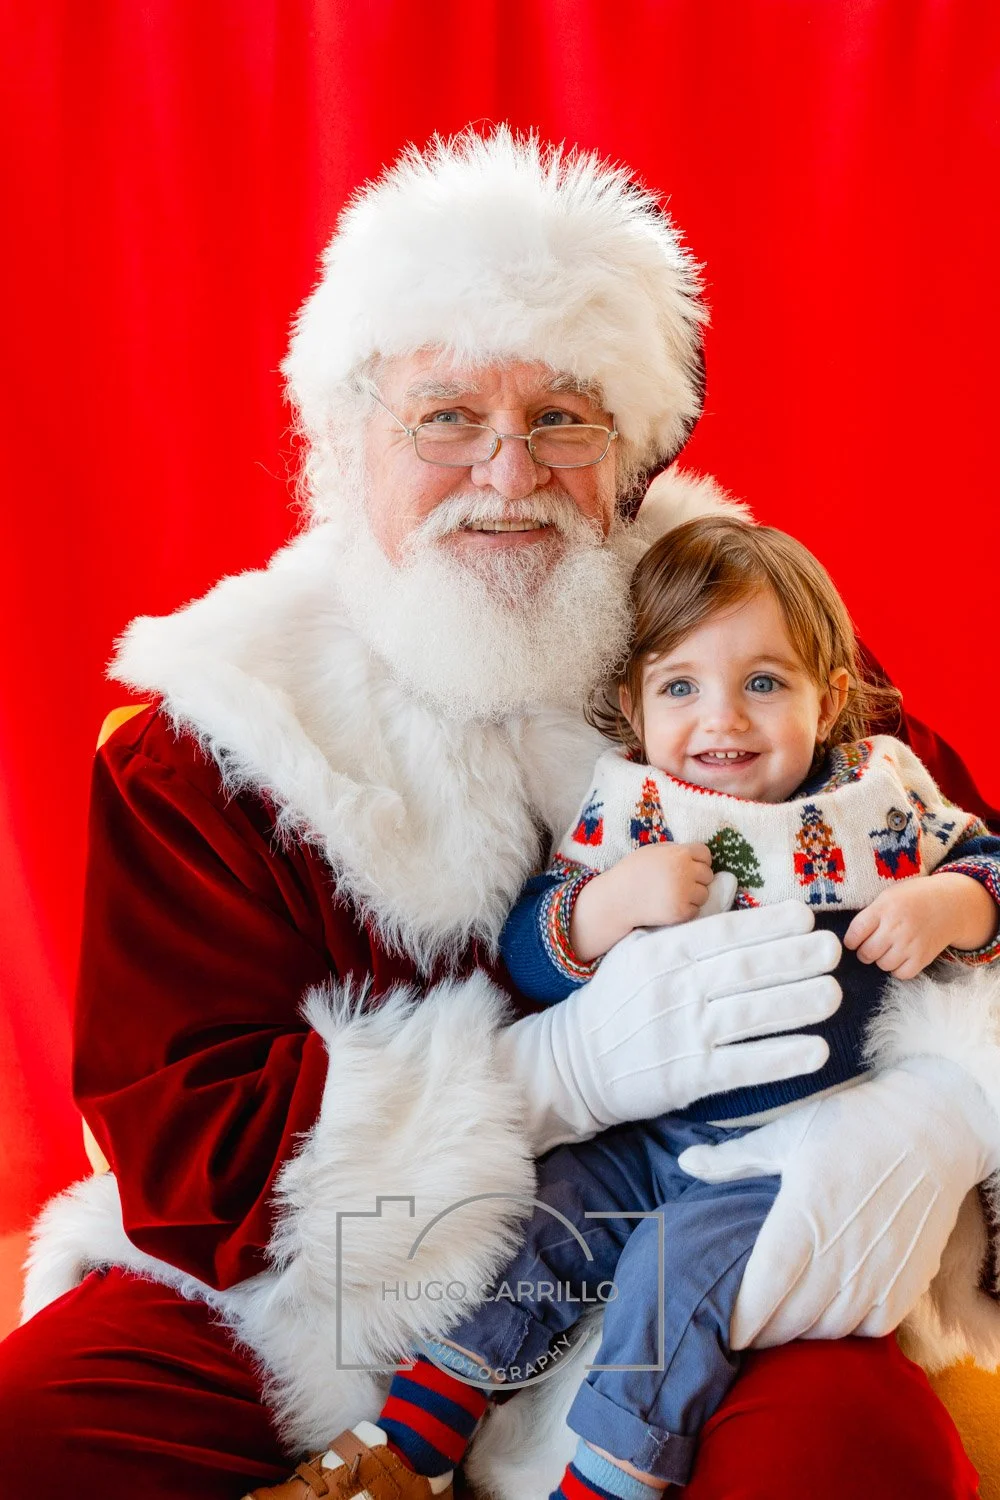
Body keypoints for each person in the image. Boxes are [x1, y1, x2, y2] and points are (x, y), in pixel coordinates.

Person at [2, 129, 998, 1500]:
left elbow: (965, 873)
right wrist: (554, 1078)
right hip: (324, 1294)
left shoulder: (745, 646)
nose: (510, 470)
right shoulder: (217, 737)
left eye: (564, 418)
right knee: (33, 1435)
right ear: (350, 438)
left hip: (709, 1247)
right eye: (447, 416)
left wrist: (942, 1123)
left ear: (633, 453)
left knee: (853, 1462)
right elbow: (196, 1153)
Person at [326, 515, 998, 1500]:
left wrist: (950, 901)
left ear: (834, 699)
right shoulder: (636, 810)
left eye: (763, 683)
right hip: (647, 1124)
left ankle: (608, 1476)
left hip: (793, 1149)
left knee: (673, 1278)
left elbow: (987, 855)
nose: (720, 720)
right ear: (632, 708)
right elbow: (530, 948)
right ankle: (412, 1440)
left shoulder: (879, 800)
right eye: (681, 687)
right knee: (539, 1223)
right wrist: (604, 908)